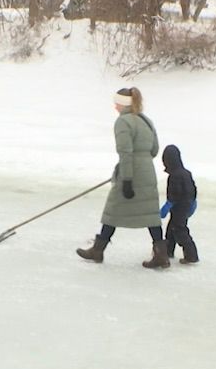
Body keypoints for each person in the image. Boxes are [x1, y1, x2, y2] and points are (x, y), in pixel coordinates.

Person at [77, 87, 169, 269]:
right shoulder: (146, 120)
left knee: (113, 210)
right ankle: (161, 255)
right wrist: (143, 160)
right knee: (150, 215)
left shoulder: (123, 122)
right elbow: (154, 150)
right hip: (148, 172)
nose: (115, 107)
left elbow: (125, 152)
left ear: (123, 104)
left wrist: (126, 179)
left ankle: (98, 250)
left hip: (131, 172)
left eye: (116, 103)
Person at [160, 144, 198, 264]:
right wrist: (192, 202)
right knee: (171, 229)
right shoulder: (187, 173)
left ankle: (191, 255)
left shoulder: (174, 176)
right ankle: (168, 251)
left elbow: (174, 193)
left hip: (179, 207)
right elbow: (193, 189)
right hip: (186, 206)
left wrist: (168, 205)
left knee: (179, 230)